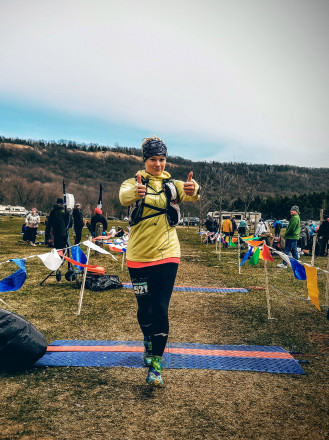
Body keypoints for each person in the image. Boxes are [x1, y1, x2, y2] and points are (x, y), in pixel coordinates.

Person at [119, 135, 199, 387]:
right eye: (153, 159)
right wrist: (136, 191)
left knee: (161, 308)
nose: (158, 164)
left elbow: (193, 193)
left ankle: (156, 364)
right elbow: (123, 197)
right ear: (145, 161)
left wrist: (193, 188)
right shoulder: (132, 182)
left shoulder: (173, 185)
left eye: (162, 159)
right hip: (138, 257)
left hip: (167, 253)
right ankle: (147, 340)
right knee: (145, 308)